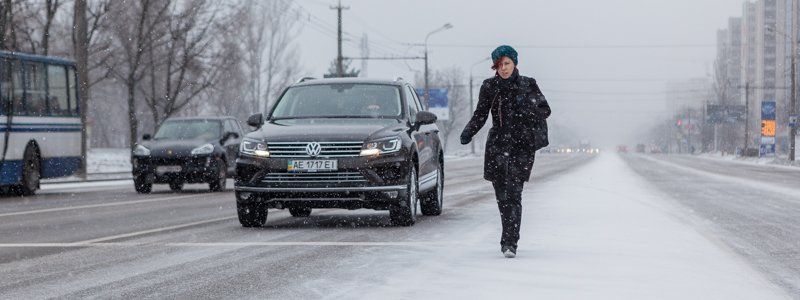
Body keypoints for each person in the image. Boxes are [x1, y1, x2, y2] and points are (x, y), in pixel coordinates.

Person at [460, 45, 551, 258]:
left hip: (522, 145)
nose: (504, 68)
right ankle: (507, 236)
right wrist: (468, 132)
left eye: (507, 63)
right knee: (501, 196)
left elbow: (545, 110)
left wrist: (526, 107)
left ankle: (510, 243)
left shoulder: (528, 84)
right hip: (498, 145)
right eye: (499, 65)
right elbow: (480, 115)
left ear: (515, 63)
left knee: (514, 193)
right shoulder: (489, 87)